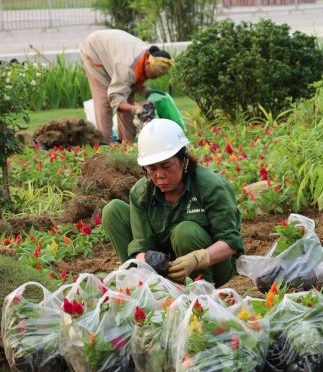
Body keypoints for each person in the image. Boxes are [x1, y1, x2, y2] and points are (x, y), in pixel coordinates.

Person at [102, 118, 244, 286]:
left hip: (213, 266)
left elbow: (231, 242)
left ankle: (201, 290)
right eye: (152, 168)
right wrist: (146, 260)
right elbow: (141, 245)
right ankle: (141, 284)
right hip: (167, 267)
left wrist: (197, 259)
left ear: (183, 160)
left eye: (166, 166)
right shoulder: (141, 193)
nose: (159, 175)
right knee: (113, 211)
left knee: (185, 231)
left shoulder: (211, 186)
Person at [79, 29, 174, 143]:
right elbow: (115, 97)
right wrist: (134, 108)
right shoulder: (127, 67)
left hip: (115, 52)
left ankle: (126, 143)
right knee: (104, 100)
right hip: (95, 50)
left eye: (158, 76)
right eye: (154, 75)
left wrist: (148, 92)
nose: (154, 78)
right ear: (147, 63)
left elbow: (133, 83)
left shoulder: (146, 57)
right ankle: (105, 144)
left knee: (127, 98)